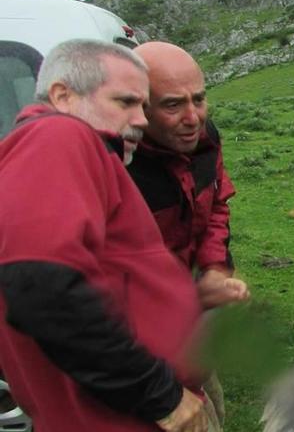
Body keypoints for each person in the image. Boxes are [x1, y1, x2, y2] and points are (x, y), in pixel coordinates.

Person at [0, 39, 208, 432]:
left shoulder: (78, 154)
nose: (142, 120)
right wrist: (159, 395)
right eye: (125, 102)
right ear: (63, 95)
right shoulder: (57, 137)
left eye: (144, 106)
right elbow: (38, 283)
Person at [128, 41, 250, 429]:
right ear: (139, 106)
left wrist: (215, 269)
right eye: (172, 104)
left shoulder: (203, 141)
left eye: (199, 99)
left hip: (189, 327)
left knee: (213, 408)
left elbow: (216, 204)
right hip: (141, 353)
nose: (193, 117)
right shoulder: (119, 167)